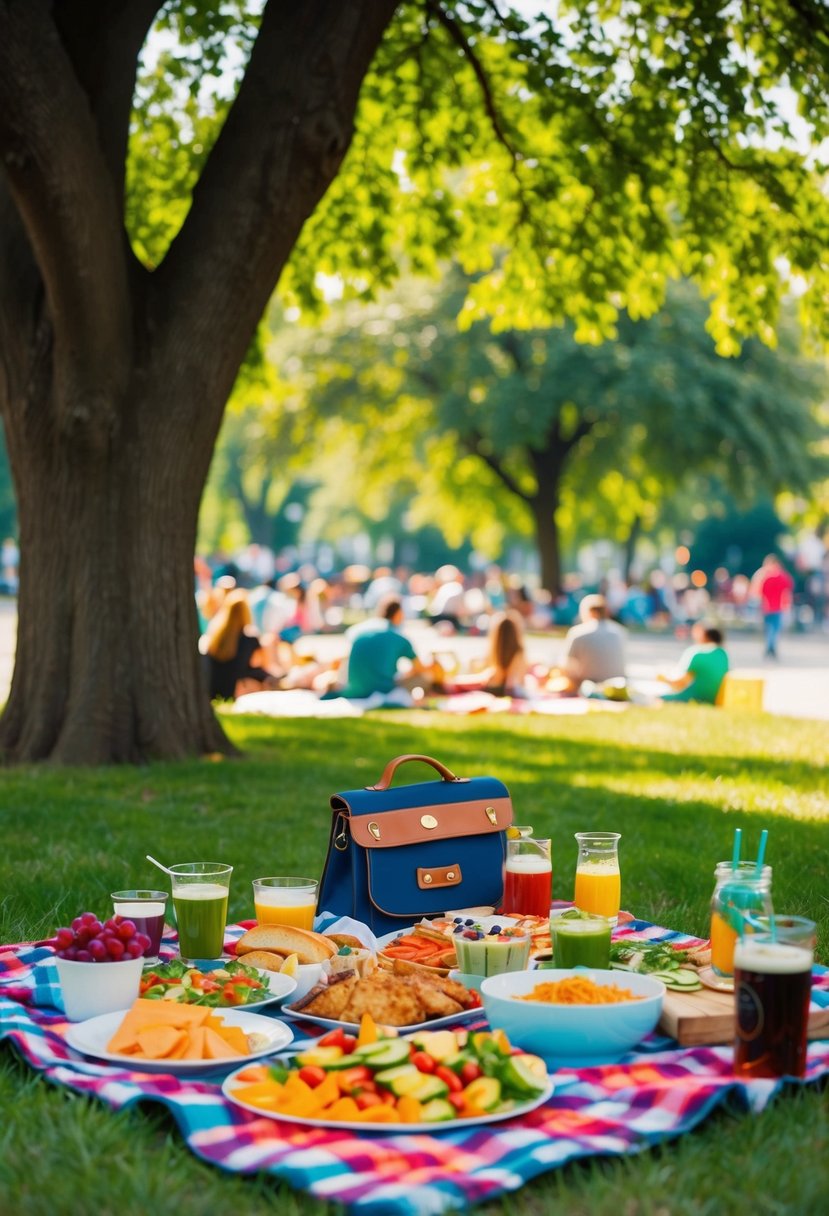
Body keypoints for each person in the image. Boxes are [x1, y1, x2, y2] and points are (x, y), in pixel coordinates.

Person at [321, 596, 437, 700]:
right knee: (425, 677)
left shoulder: (360, 630)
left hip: (353, 689)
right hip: (382, 689)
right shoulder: (398, 637)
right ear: (398, 614)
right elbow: (420, 668)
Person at [202, 589, 274, 700]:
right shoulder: (249, 638)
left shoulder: (215, 635)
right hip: (234, 690)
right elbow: (262, 663)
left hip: (213, 689)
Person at [442, 610, 529, 696]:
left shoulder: (506, 654)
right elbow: (511, 683)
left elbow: (508, 683)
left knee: (454, 683)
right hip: (495, 685)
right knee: (455, 683)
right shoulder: (518, 653)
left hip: (492, 685)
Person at [557, 594, 626, 692]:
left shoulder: (578, 632)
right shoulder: (620, 631)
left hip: (587, 685)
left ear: (588, 612)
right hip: (618, 683)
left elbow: (566, 665)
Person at [659, 623, 729, 704]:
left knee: (656, 697)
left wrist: (664, 679)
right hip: (714, 699)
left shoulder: (697, 653)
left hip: (695, 697)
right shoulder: (723, 654)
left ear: (704, 635)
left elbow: (680, 683)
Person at [751, 554, 794, 658]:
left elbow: (756, 591)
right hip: (778, 606)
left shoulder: (762, 575)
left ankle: (770, 647)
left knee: (768, 628)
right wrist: (788, 605)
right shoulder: (783, 576)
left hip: (766, 606)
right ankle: (771, 647)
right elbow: (787, 592)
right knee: (775, 628)